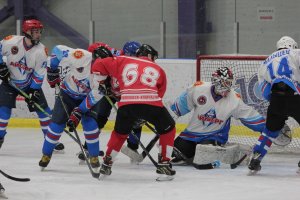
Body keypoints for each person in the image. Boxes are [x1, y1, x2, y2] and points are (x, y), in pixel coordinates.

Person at [92, 44, 176, 180]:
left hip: (127, 105)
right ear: (149, 55)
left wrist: (102, 83)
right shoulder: (158, 69)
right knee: (168, 128)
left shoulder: (122, 60)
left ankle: (107, 163)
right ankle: (164, 163)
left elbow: (98, 65)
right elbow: (160, 93)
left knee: (119, 134)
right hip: (152, 103)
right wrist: (145, 114)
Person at [168, 67, 267, 165]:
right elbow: (179, 107)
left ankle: (229, 149)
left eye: (230, 82)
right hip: (192, 134)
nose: (229, 86)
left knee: (205, 152)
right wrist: (167, 119)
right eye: (226, 82)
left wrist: (267, 128)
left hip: (215, 136)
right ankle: (196, 153)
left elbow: (250, 116)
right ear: (217, 81)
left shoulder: (234, 99)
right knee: (175, 152)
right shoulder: (198, 89)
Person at [38, 44, 113, 171]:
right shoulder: (80, 56)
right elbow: (57, 50)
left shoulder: (104, 77)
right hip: (67, 94)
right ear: (95, 59)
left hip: (87, 98)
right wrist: (52, 70)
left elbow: (94, 97)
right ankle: (46, 154)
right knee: (57, 125)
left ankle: (94, 156)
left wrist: (79, 111)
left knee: (91, 125)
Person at [0, 16, 64, 151]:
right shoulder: (11, 41)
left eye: (39, 31)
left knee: (44, 112)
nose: (38, 34)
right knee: (3, 111)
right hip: (9, 83)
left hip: (29, 85)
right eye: (35, 32)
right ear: (26, 31)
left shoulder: (41, 51)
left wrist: (33, 90)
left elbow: (39, 73)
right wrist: (1, 66)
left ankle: (50, 140)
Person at [248, 36, 300, 174]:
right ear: (292, 45)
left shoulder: (265, 62)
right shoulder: (295, 53)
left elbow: (265, 91)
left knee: (270, 131)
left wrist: (277, 104)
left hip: (276, 97)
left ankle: (255, 158)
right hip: (295, 94)